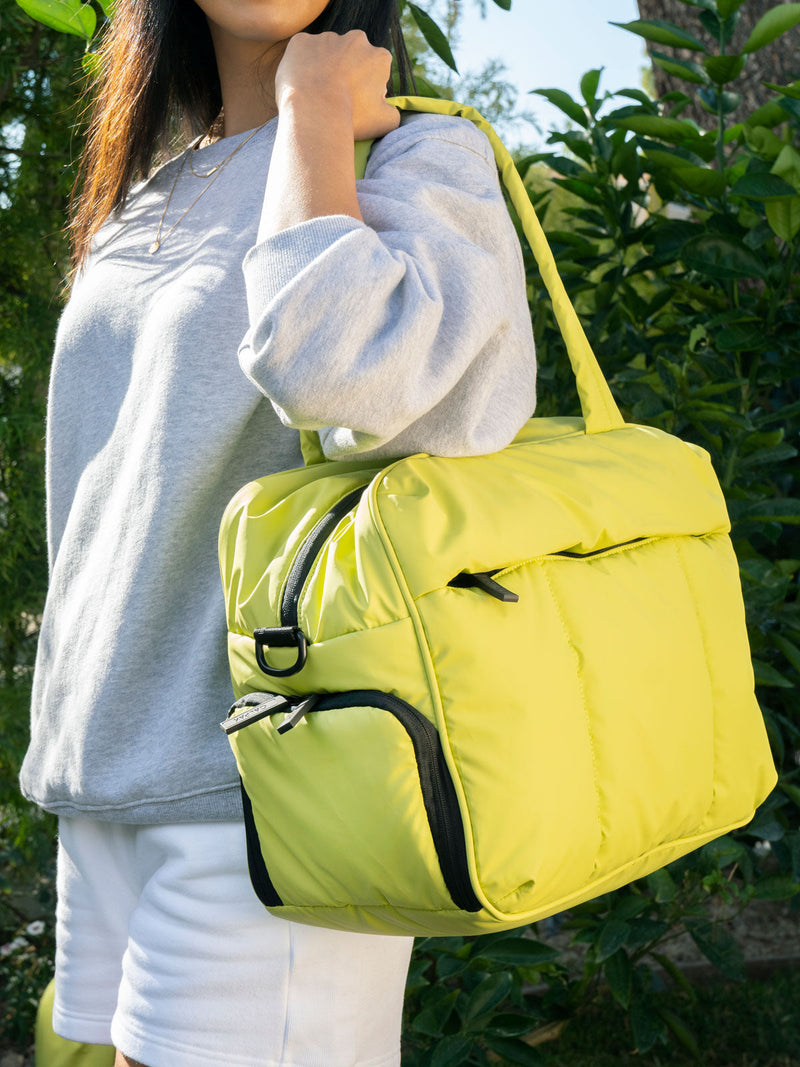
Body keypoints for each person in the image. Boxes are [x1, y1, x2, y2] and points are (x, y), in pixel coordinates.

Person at [19, 0, 537, 1063]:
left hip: (270, 784)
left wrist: (310, 111)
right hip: (109, 768)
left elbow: (341, 374)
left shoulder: (421, 153)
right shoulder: (151, 186)